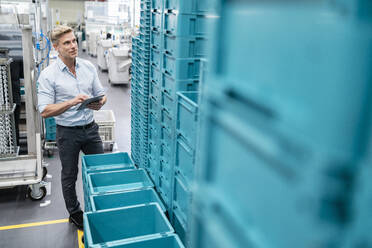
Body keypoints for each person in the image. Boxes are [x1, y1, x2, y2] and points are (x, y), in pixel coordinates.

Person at [37, 25, 107, 230]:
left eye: (74, 41)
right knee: (69, 174)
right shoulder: (48, 75)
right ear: (56, 47)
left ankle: (100, 206)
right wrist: (72, 101)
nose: (73, 46)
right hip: (67, 132)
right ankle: (75, 212)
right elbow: (45, 110)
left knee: (100, 169)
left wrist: (100, 102)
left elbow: (102, 94)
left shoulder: (88, 67)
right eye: (67, 43)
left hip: (90, 129)